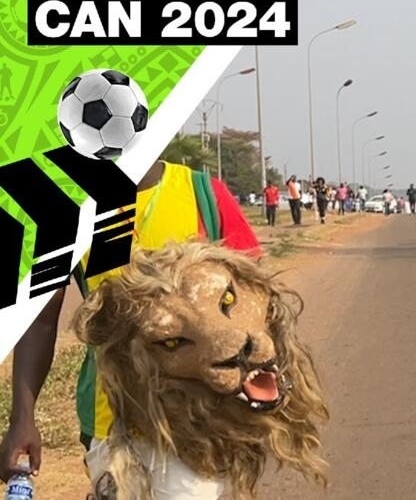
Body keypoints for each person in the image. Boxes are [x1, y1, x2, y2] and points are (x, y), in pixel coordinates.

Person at [0, 159, 261, 498]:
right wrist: (22, 416)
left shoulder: (201, 195)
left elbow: (254, 302)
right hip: (110, 419)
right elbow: (41, 318)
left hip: (196, 419)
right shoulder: (74, 207)